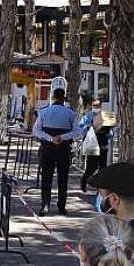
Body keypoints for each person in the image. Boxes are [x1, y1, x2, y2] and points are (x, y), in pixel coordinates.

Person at [32, 88, 83, 216]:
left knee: (46, 178)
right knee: (63, 178)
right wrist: (62, 137)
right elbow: (77, 132)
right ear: (63, 98)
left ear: (53, 97)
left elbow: (36, 131)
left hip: (47, 148)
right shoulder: (71, 114)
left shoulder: (43, 112)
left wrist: (50, 138)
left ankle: (45, 205)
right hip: (64, 149)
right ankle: (61, 206)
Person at [79, 99, 112, 192]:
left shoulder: (105, 116)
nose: (96, 108)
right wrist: (90, 127)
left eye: (98, 106)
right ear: (92, 106)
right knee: (91, 167)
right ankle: (84, 182)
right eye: (94, 106)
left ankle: (101, 187)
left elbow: (111, 132)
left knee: (103, 167)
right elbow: (80, 127)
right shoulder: (88, 116)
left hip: (103, 144)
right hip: (92, 144)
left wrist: (109, 132)